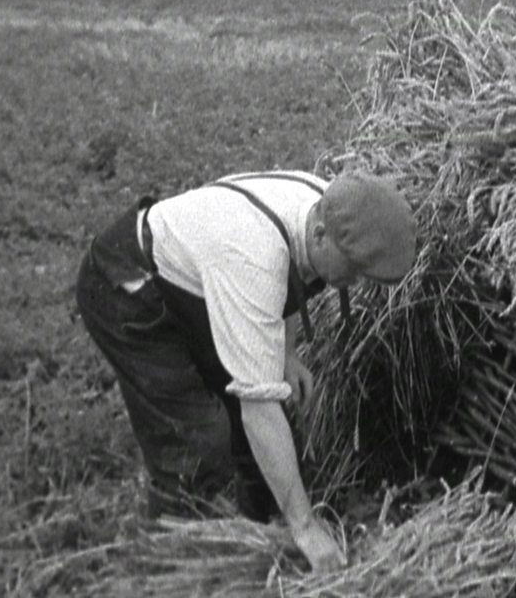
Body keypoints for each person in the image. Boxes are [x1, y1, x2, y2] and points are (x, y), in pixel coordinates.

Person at [75, 169, 417, 571]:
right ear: (322, 234)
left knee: (248, 414)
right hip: (129, 285)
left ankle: (261, 527)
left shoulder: (325, 207)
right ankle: (172, 558)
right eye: (354, 270)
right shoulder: (253, 259)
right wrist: (305, 526)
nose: (356, 284)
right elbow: (259, 406)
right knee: (198, 439)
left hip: (197, 278)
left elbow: (295, 275)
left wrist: (285, 354)